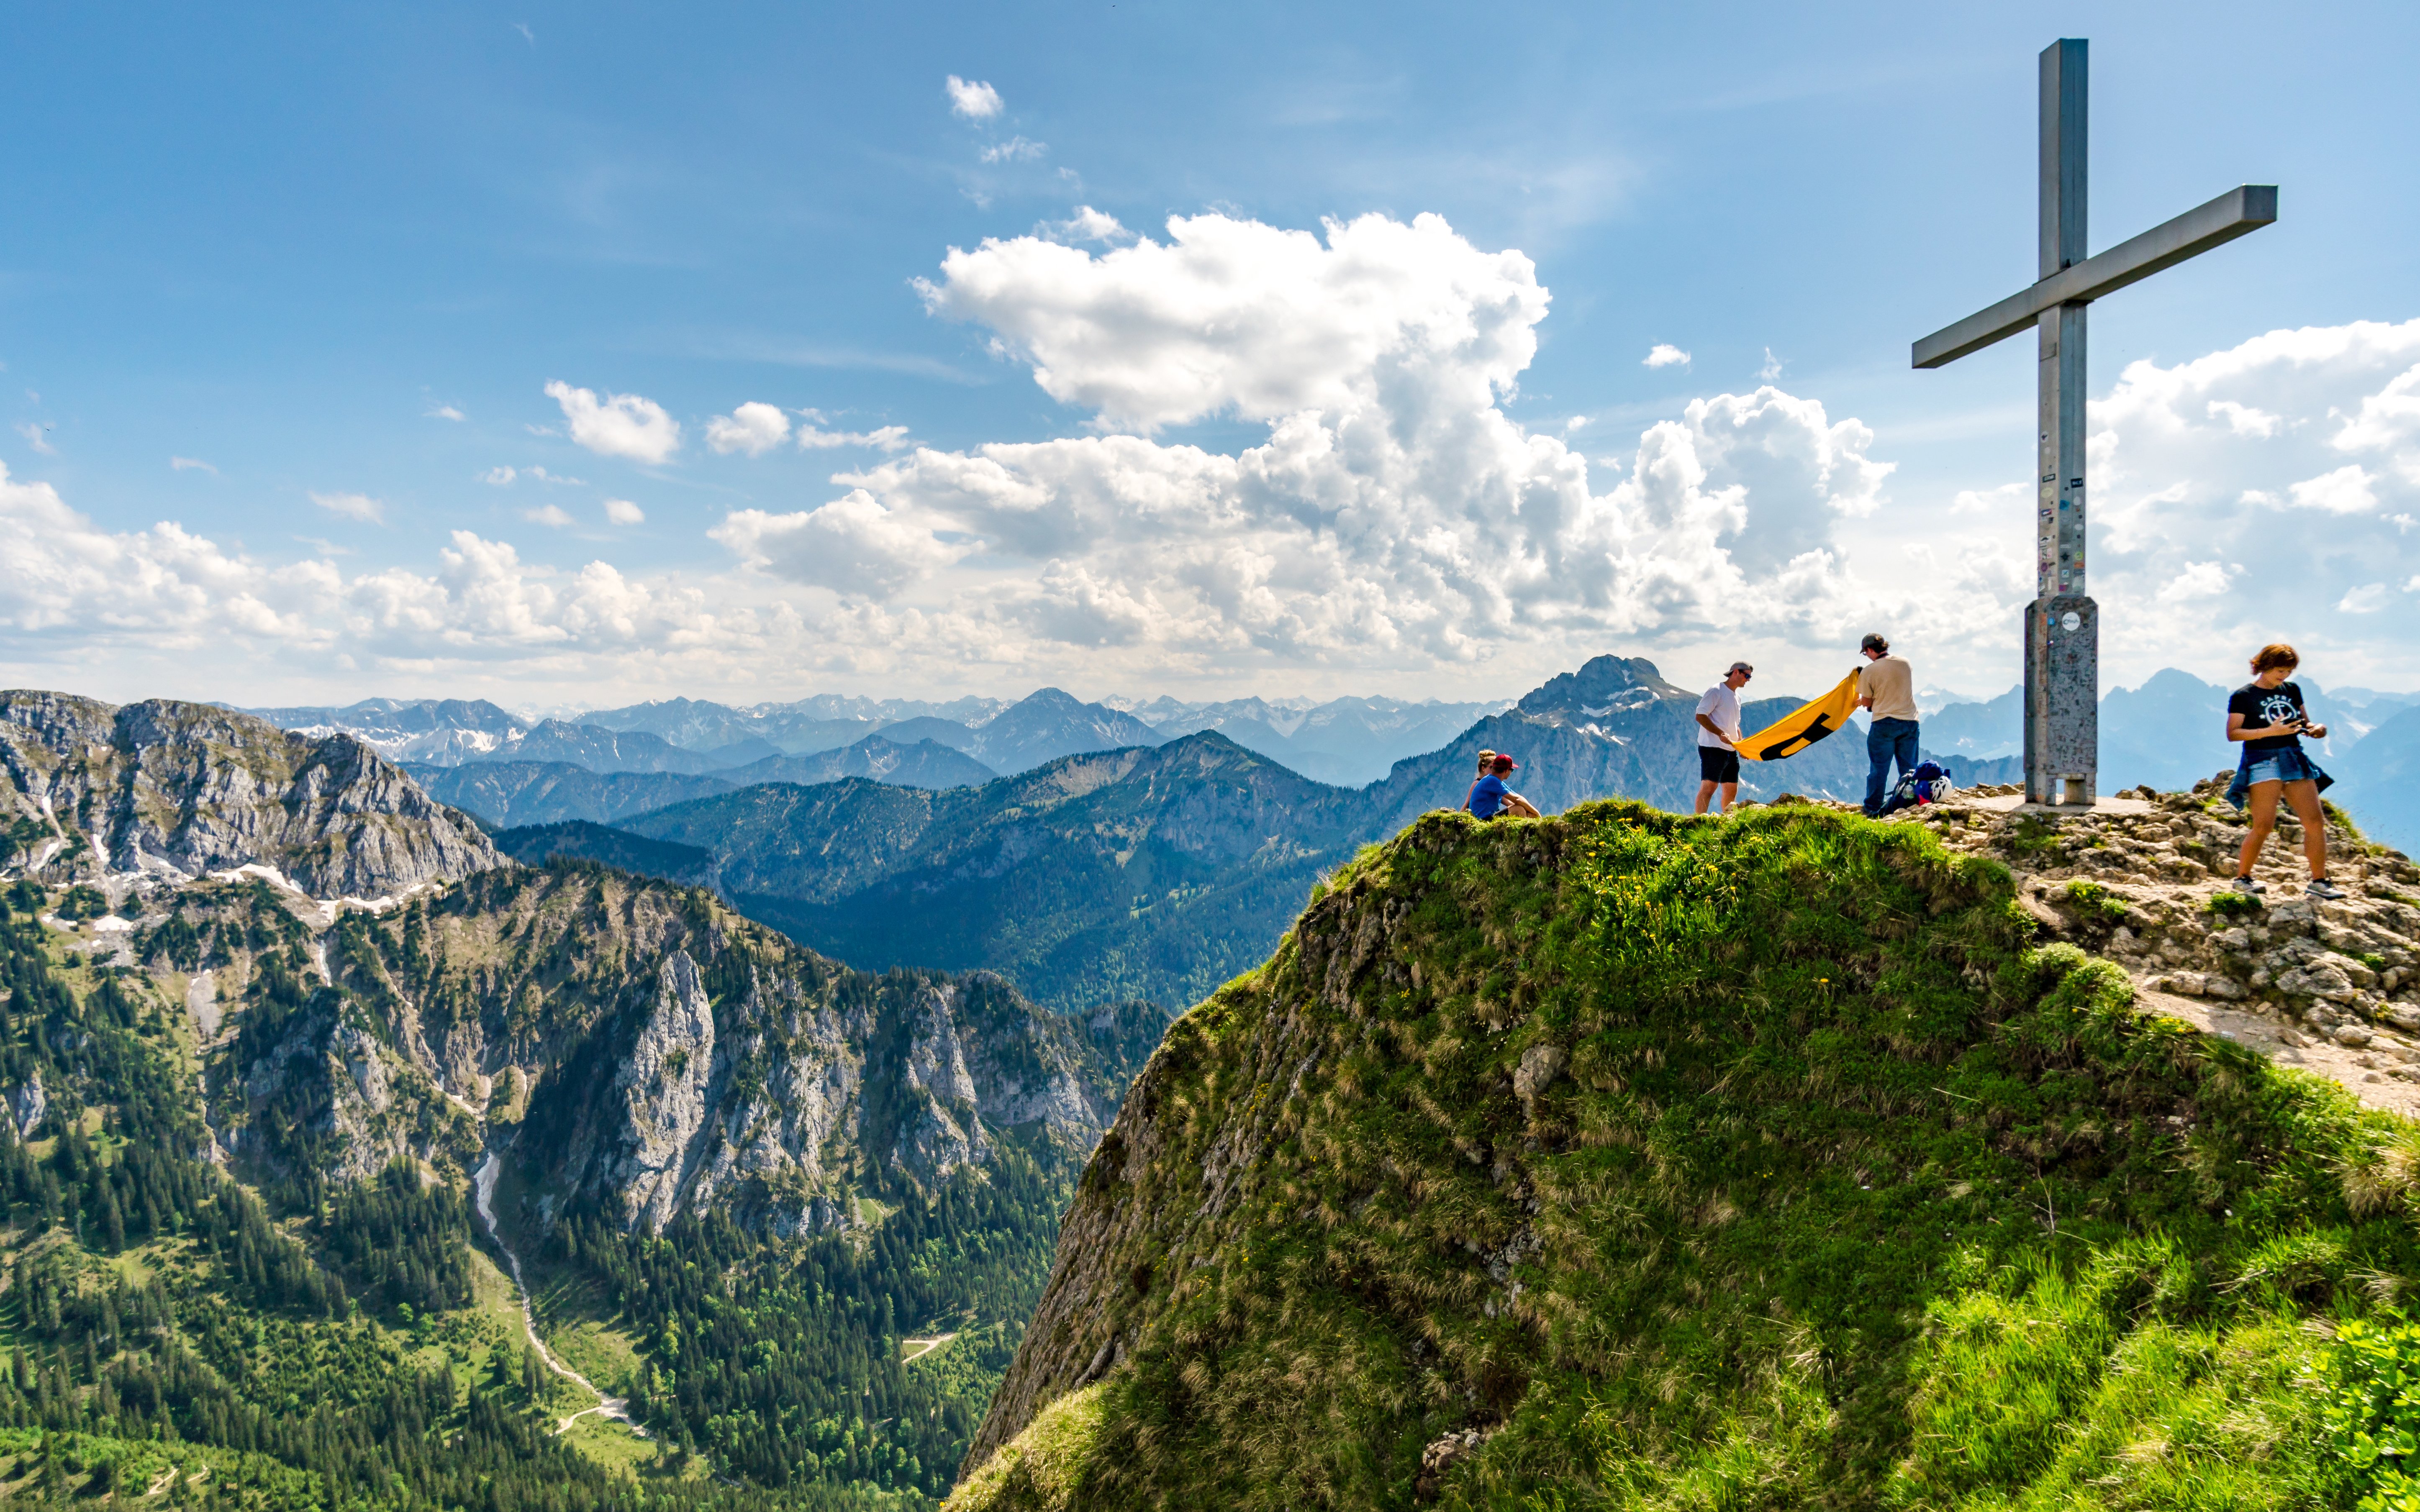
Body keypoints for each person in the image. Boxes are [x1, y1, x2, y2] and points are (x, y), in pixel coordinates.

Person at [2225, 643, 2343, 900]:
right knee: (2264, 825)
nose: (2284, 676)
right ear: (2264, 665)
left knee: (2315, 822)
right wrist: (2270, 732)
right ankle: (2242, 878)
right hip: (2262, 760)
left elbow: (2304, 721)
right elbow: (2233, 734)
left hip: (2294, 757)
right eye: (2279, 670)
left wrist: (2316, 728)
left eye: (2289, 671)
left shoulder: (2292, 690)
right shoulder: (2243, 696)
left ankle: (2319, 881)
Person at [1856, 633, 1920, 819]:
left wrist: (1861, 701)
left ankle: (1872, 808)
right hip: (1910, 720)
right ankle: (1910, 803)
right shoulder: (1905, 663)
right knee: (1909, 768)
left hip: (1884, 723)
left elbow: (1868, 702)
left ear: (1869, 650)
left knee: (1879, 769)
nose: (1866, 656)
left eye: (1865, 653)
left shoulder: (1869, 671)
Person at [1693, 662, 1753, 815]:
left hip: (1730, 749)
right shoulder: (1716, 691)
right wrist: (1720, 734)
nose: (1748, 679)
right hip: (1712, 747)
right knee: (1709, 787)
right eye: (1747, 675)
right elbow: (1700, 716)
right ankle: (1699, 821)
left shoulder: (1737, 697)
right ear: (1736, 673)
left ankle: (1728, 821)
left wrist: (1741, 745)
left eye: (1750, 677)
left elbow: (1735, 724)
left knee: (1731, 789)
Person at [1468, 754, 1541, 821]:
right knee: (1519, 810)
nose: (1511, 773)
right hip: (1483, 820)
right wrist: (1537, 813)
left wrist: (1531, 812)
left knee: (1528, 813)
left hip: (1488, 817)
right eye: (1511, 770)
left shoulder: (1495, 780)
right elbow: (1517, 799)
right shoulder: (1492, 781)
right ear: (1506, 771)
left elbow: (1517, 798)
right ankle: (1521, 834)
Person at [1460, 749, 1497, 815]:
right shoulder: (1477, 784)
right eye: (1491, 767)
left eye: (1496, 768)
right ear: (1483, 769)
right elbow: (1467, 803)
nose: (1494, 770)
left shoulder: (1492, 784)